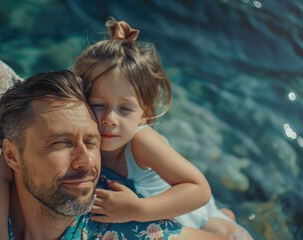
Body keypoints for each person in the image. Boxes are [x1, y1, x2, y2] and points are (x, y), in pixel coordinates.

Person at [0, 70, 228, 240]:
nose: (87, 162)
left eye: (92, 143)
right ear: (12, 157)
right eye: (60, 144)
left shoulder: (120, 223)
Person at [73, 18, 253, 239]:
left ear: (144, 114)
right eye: (98, 105)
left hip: (190, 213)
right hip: (163, 216)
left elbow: (199, 189)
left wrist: (137, 210)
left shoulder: (141, 142)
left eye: (125, 109)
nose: (110, 118)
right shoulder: (83, 136)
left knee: (225, 233)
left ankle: (223, 218)